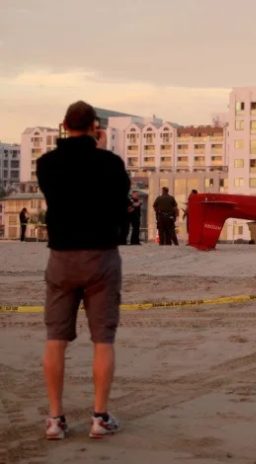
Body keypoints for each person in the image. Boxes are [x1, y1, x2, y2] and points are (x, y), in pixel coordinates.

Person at [36, 101, 129, 439]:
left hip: (61, 256)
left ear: (64, 125)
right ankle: (99, 417)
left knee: (55, 339)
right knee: (103, 339)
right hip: (101, 256)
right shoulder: (110, 163)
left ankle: (55, 419)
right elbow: (122, 206)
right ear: (95, 127)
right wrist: (99, 148)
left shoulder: (46, 164)